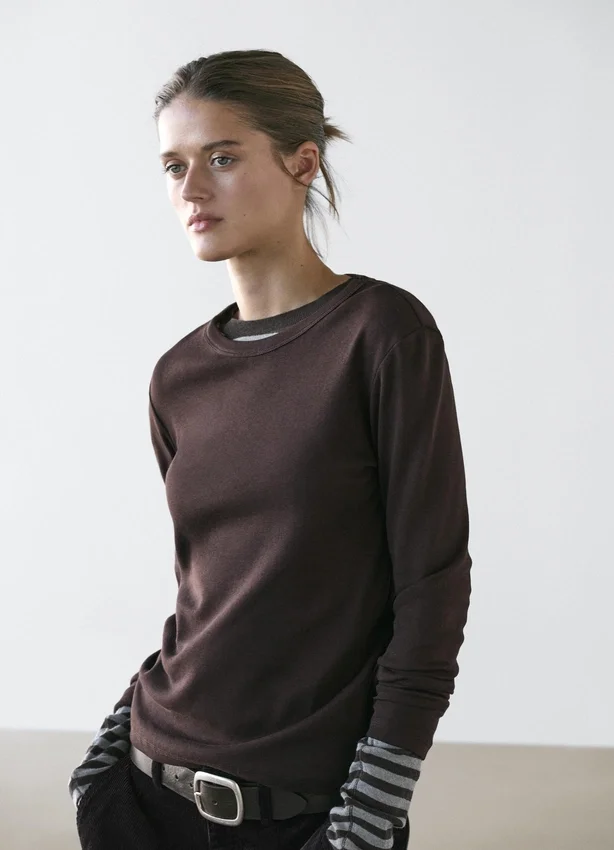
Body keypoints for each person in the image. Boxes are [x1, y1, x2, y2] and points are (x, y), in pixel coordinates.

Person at [68, 48, 473, 850]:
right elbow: (207, 589)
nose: (191, 189)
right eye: (174, 166)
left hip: (310, 814)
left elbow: (432, 589)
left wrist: (371, 810)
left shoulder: (382, 335)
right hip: (142, 793)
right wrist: (103, 762)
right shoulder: (178, 375)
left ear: (302, 162)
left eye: (221, 158)